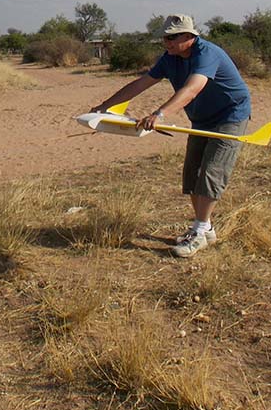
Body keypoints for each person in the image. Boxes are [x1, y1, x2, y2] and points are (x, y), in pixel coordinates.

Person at [89, 14, 252, 257]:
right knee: (192, 174)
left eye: (173, 37)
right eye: (165, 37)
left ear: (189, 36)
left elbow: (192, 88)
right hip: (201, 118)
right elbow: (141, 83)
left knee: (211, 172)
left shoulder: (207, 54)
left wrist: (160, 114)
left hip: (229, 116)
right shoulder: (170, 58)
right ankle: (205, 228)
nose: (167, 42)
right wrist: (105, 106)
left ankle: (199, 231)